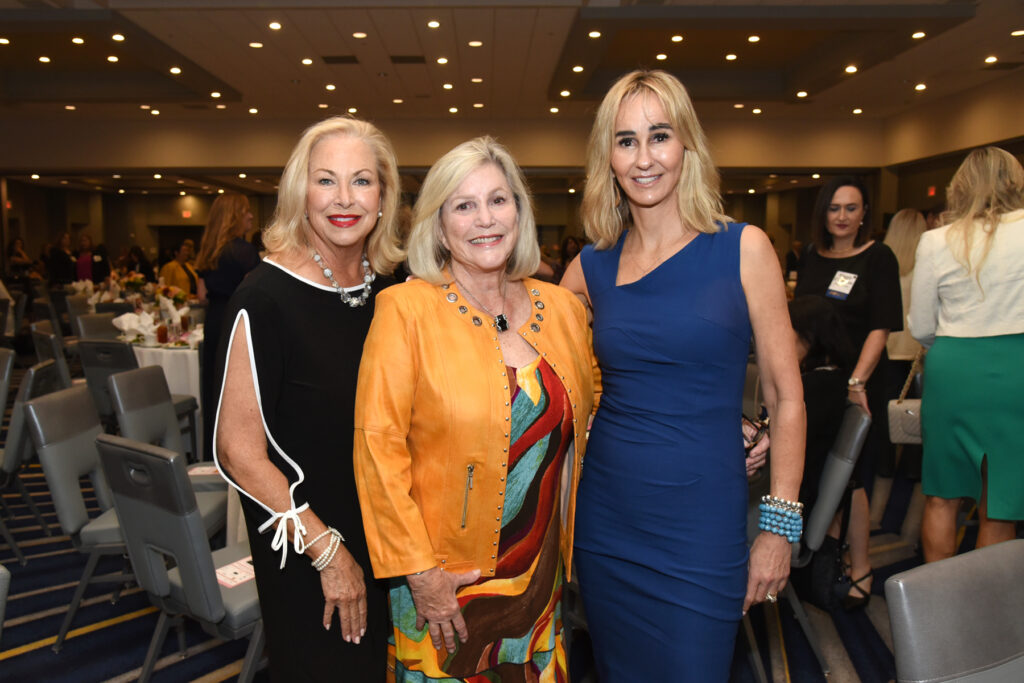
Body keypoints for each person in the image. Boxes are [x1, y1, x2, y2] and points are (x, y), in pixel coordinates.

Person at [560, 69, 804, 681]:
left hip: (702, 523)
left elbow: (785, 395)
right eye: (626, 141)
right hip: (608, 519)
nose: (644, 158)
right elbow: (547, 375)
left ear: (687, 143)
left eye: (660, 136)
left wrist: (778, 527)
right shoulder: (590, 266)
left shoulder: (744, 249)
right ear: (608, 157)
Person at [353, 137, 595, 681]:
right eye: (464, 205)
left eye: (498, 200)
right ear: (440, 227)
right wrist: (420, 575)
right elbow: (377, 450)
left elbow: (598, 398)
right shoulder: (406, 311)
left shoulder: (562, 309)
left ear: (519, 212)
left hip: (540, 580)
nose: (485, 219)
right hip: (443, 587)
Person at [213, 116, 404, 680]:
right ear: (300, 192)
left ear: (383, 196)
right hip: (310, 548)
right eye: (326, 180)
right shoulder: (263, 299)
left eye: (361, 180)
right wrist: (327, 551)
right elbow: (237, 452)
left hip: (384, 537)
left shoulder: (390, 290)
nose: (344, 198)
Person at [908, 146, 1024, 562]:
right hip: (1016, 367)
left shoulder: (936, 240)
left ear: (960, 186)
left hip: (953, 368)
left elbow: (921, 326)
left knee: (942, 493)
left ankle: (937, 598)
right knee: (1002, 498)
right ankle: (987, 600)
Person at [795, 176, 902, 489]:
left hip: (859, 380)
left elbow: (880, 328)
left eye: (851, 208)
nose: (842, 216)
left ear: (864, 213)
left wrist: (857, 383)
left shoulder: (878, 257)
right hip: (815, 382)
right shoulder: (811, 255)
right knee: (814, 471)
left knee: (852, 476)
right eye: (834, 208)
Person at [788, 295, 873, 608]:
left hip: (792, 507)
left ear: (808, 337)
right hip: (805, 496)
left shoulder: (814, 389)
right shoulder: (832, 380)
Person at [195, 192, 260, 457]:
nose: (251, 216)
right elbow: (253, 295)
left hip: (214, 320)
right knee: (237, 388)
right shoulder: (244, 251)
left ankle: (211, 451)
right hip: (237, 320)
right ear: (234, 216)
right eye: (246, 211)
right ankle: (236, 452)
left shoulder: (208, 251)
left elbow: (201, 296)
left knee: (214, 384)